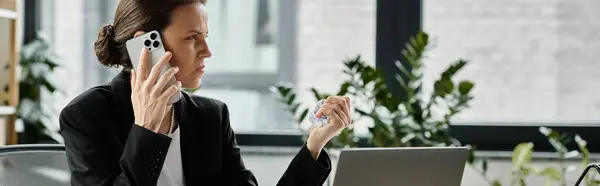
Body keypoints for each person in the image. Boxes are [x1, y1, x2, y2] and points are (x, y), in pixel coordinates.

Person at [58, 0, 352, 185]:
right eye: (192, 38)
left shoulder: (211, 116)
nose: (207, 51)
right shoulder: (86, 115)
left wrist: (315, 144)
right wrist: (147, 128)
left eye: (205, 37)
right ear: (146, 45)